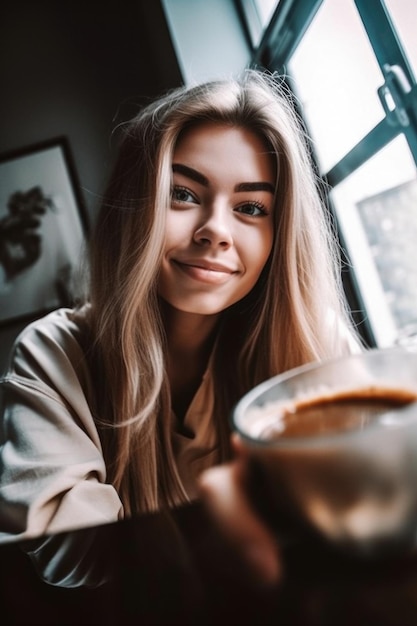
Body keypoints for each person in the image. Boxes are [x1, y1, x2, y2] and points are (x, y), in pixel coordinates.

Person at [0, 69, 360, 586]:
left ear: (279, 236)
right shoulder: (55, 352)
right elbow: (68, 553)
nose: (216, 229)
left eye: (251, 208)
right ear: (133, 206)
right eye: (184, 195)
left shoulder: (314, 340)